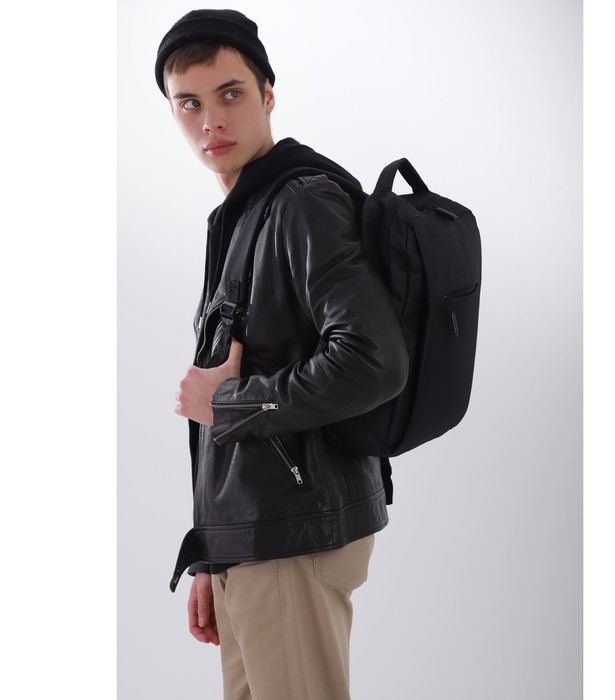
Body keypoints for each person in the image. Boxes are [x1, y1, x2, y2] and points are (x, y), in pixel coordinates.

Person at [155, 9, 408, 699]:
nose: (211, 120)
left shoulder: (301, 203)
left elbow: (373, 358)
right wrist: (213, 550)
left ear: (268, 94)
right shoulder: (244, 213)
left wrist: (229, 404)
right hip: (256, 539)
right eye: (189, 103)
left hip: (292, 541)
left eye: (230, 93)